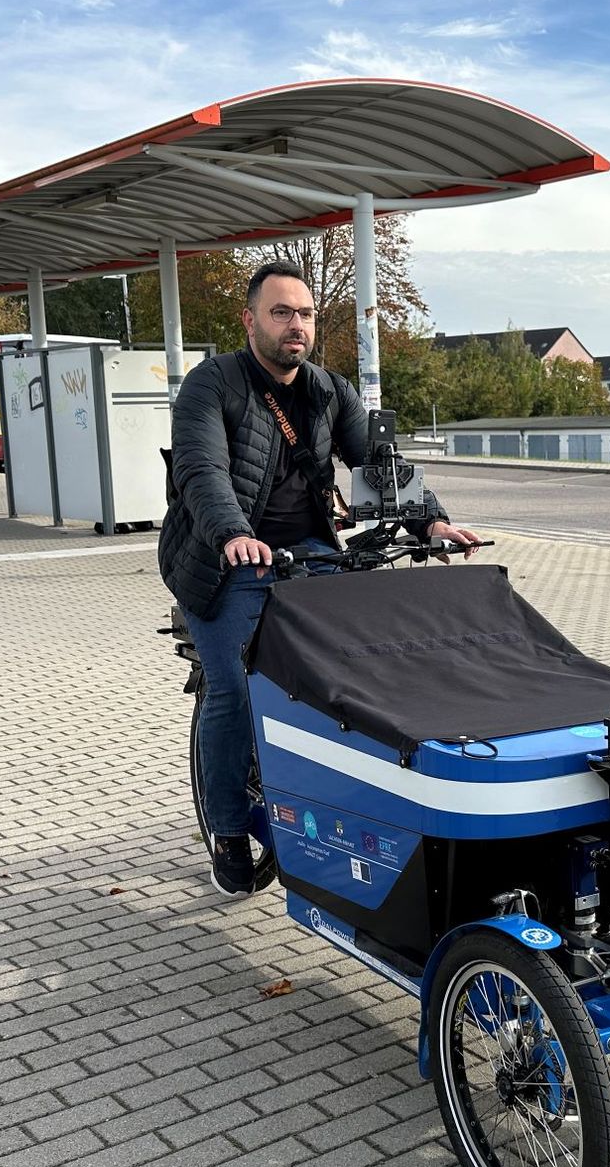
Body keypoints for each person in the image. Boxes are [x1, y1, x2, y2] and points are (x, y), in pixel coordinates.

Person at [161, 260, 483, 897]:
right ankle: (228, 829)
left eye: (304, 314)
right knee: (234, 692)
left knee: (359, 670)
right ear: (249, 320)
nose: (295, 325)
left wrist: (429, 524)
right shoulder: (212, 385)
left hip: (309, 553)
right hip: (219, 561)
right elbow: (203, 474)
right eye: (280, 313)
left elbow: (377, 462)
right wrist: (233, 536)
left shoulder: (329, 390)